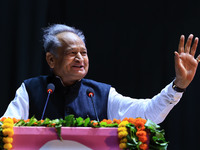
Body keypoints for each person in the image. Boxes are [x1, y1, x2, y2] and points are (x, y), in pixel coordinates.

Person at [2, 24, 200, 124]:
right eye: (72, 53)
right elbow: (5, 128)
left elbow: (148, 113)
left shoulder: (101, 94)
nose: (80, 58)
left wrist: (178, 86)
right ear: (51, 60)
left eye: (84, 53)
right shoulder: (30, 90)